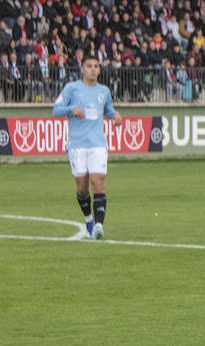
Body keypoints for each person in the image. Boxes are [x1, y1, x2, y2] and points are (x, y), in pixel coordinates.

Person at [52, 53, 121, 240]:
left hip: (98, 143)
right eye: (89, 66)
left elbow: (107, 110)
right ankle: (89, 219)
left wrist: (115, 116)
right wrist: (70, 109)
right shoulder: (71, 89)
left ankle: (99, 225)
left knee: (98, 182)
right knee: (82, 189)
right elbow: (55, 110)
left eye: (96, 66)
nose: (93, 69)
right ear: (82, 69)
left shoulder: (104, 91)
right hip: (77, 145)